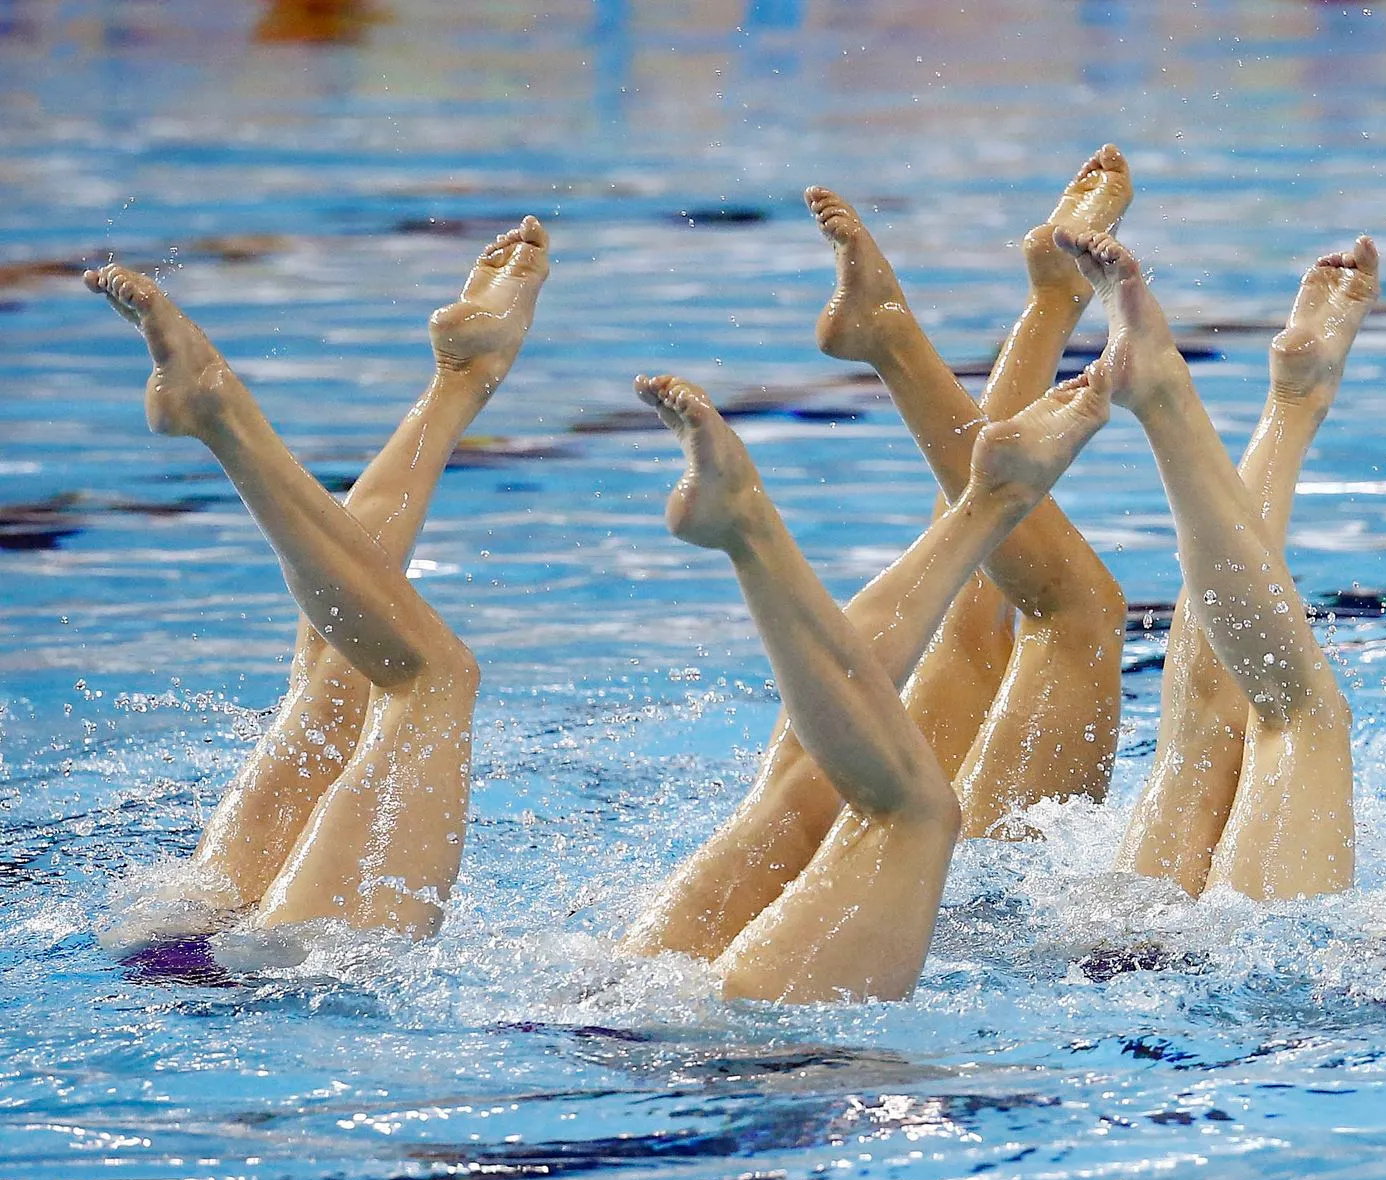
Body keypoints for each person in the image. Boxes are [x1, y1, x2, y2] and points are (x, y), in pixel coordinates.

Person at [620, 150, 1132, 961]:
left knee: (844, 770)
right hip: (725, 1011)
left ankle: (976, 323)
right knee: (1031, 627)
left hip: (678, 1007)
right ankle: (977, 322)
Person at [87, 221, 550, 942]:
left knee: (377, 676)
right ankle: (233, 412)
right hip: (219, 961)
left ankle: (454, 383)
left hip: (225, 969)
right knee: (391, 678)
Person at [628, 366, 1111, 1000]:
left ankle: (987, 502)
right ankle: (754, 529)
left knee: (821, 782)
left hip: (626, 1019)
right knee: (877, 803)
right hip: (724, 1053)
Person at [1057, 228, 1367, 900]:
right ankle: (1245, 403)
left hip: (1130, 961)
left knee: (1211, 732)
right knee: (1275, 717)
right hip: (1216, 981)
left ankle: (1277, 402)